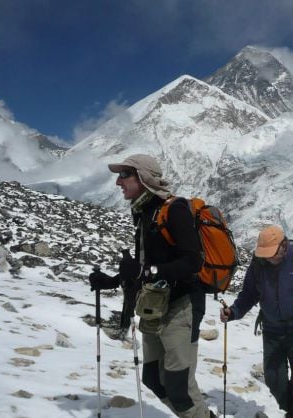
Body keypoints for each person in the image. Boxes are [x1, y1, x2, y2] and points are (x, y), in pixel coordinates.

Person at [88, 154, 213, 418]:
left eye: (124, 175)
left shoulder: (175, 208)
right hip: (155, 307)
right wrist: (111, 281)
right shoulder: (144, 212)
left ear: (143, 178)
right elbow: (145, 267)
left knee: (180, 386)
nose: (117, 182)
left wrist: (148, 271)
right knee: (153, 379)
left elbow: (193, 261)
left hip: (182, 306)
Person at [219, 225, 293, 418]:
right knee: (272, 377)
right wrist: (233, 312)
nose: (269, 258)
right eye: (265, 254)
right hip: (272, 329)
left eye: (272, 253)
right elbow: (249, 295)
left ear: (283, 245)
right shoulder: (258, 265)